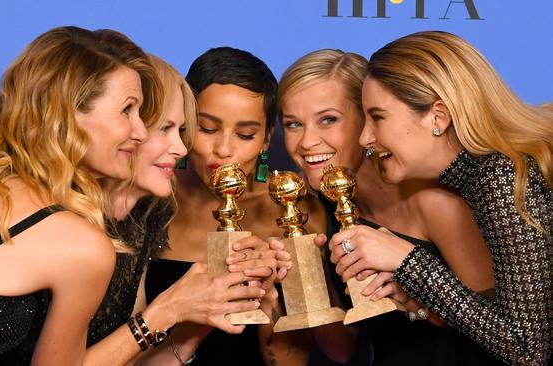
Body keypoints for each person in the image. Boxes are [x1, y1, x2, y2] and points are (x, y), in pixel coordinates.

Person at [0, 29, 267, 366]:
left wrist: (195, 314)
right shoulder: (79, 244)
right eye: (128, 110)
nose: (139, 131)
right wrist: (166, 310)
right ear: (70, 113)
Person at [330, 31, 552, 366]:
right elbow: (502, 319)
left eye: (378, 117)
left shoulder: (501, 175)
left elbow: (528, 350)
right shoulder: (482, 174)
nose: (365, 138)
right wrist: (419, 295)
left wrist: (409, 260)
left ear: (438, 117)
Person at [278, 48, 499, 365]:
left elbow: (502, 337)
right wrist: (306, 273)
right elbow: (341, 350)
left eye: (328, 120)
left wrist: (417, 298)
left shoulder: (433, 201)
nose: (307, 142)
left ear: (367, 119)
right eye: (293, 124)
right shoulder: (307, 202)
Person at [145, 47, 322, 365]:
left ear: (267, 139)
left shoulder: (293, 210)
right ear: (184, 122)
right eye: (208, 128)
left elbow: (295, 358)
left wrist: (266, 298)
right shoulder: (145, 203)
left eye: (245, 134)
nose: (223, 149)